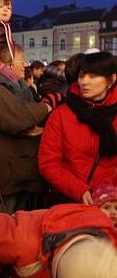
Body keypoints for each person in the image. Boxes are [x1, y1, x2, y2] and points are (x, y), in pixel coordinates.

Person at [39, 51, 117, 204]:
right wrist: (78, 189)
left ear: (112, 79)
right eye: (82, 76)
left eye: (93, 76)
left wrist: (110, 191)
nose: (85, 82)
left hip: (111, 204)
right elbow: (49, 163)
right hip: (72, 201)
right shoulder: (61, 115)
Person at [0, 50, 51, 213]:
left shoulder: (20, 87)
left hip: (21, 171)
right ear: (7, 65)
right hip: (10, 173)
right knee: (6, 225)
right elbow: (19, 118)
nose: (25, 65)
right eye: (21, 61)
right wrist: (45, 107)